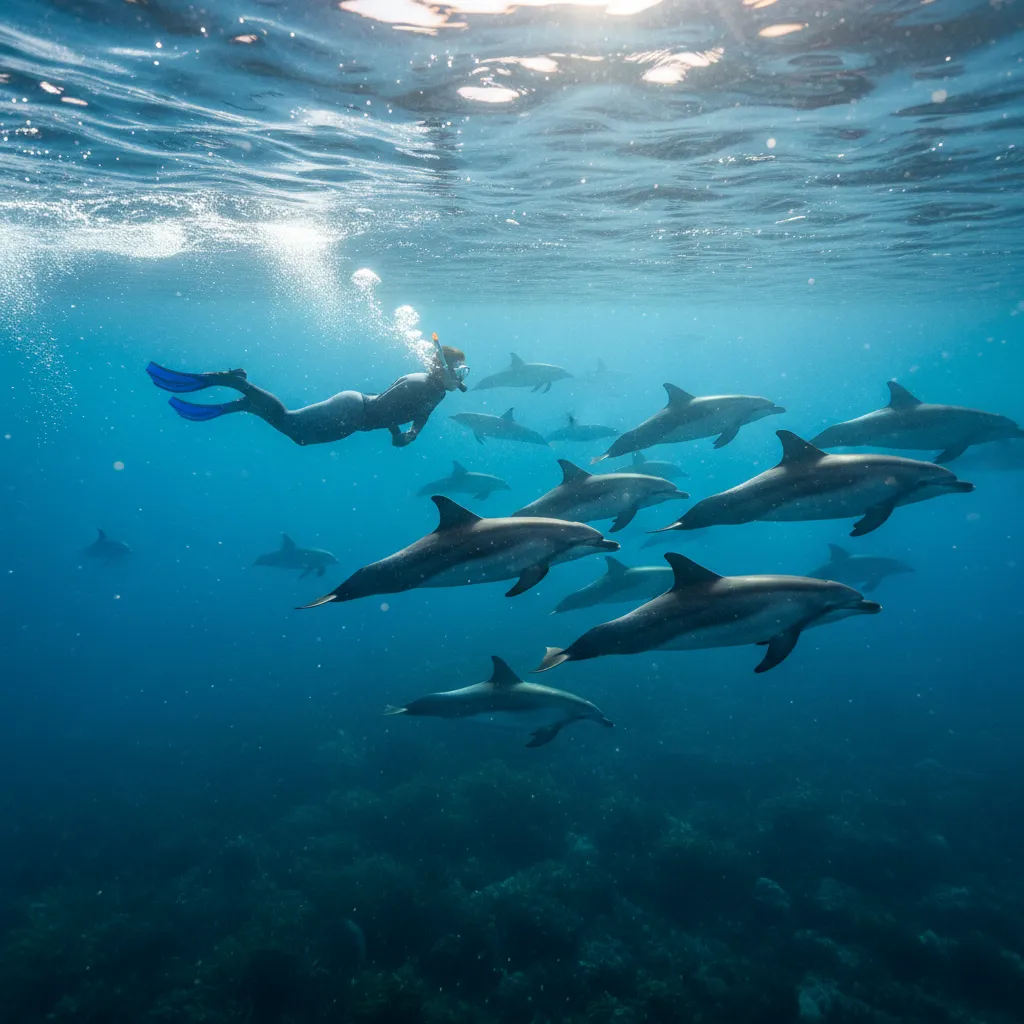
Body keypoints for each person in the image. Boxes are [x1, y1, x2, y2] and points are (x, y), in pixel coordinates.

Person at [145, 335, 469, 448]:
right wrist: (397, 432)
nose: (463, 376)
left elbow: (421, 414)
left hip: (356, 421)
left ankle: (248, 403)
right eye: (460, 370)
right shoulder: (418, 383)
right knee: (289, 421)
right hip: (352, 411)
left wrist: (411, 433)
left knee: (299, 438)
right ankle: (236, 381)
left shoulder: (437, 392)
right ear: (443, 368)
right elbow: (385, 410)